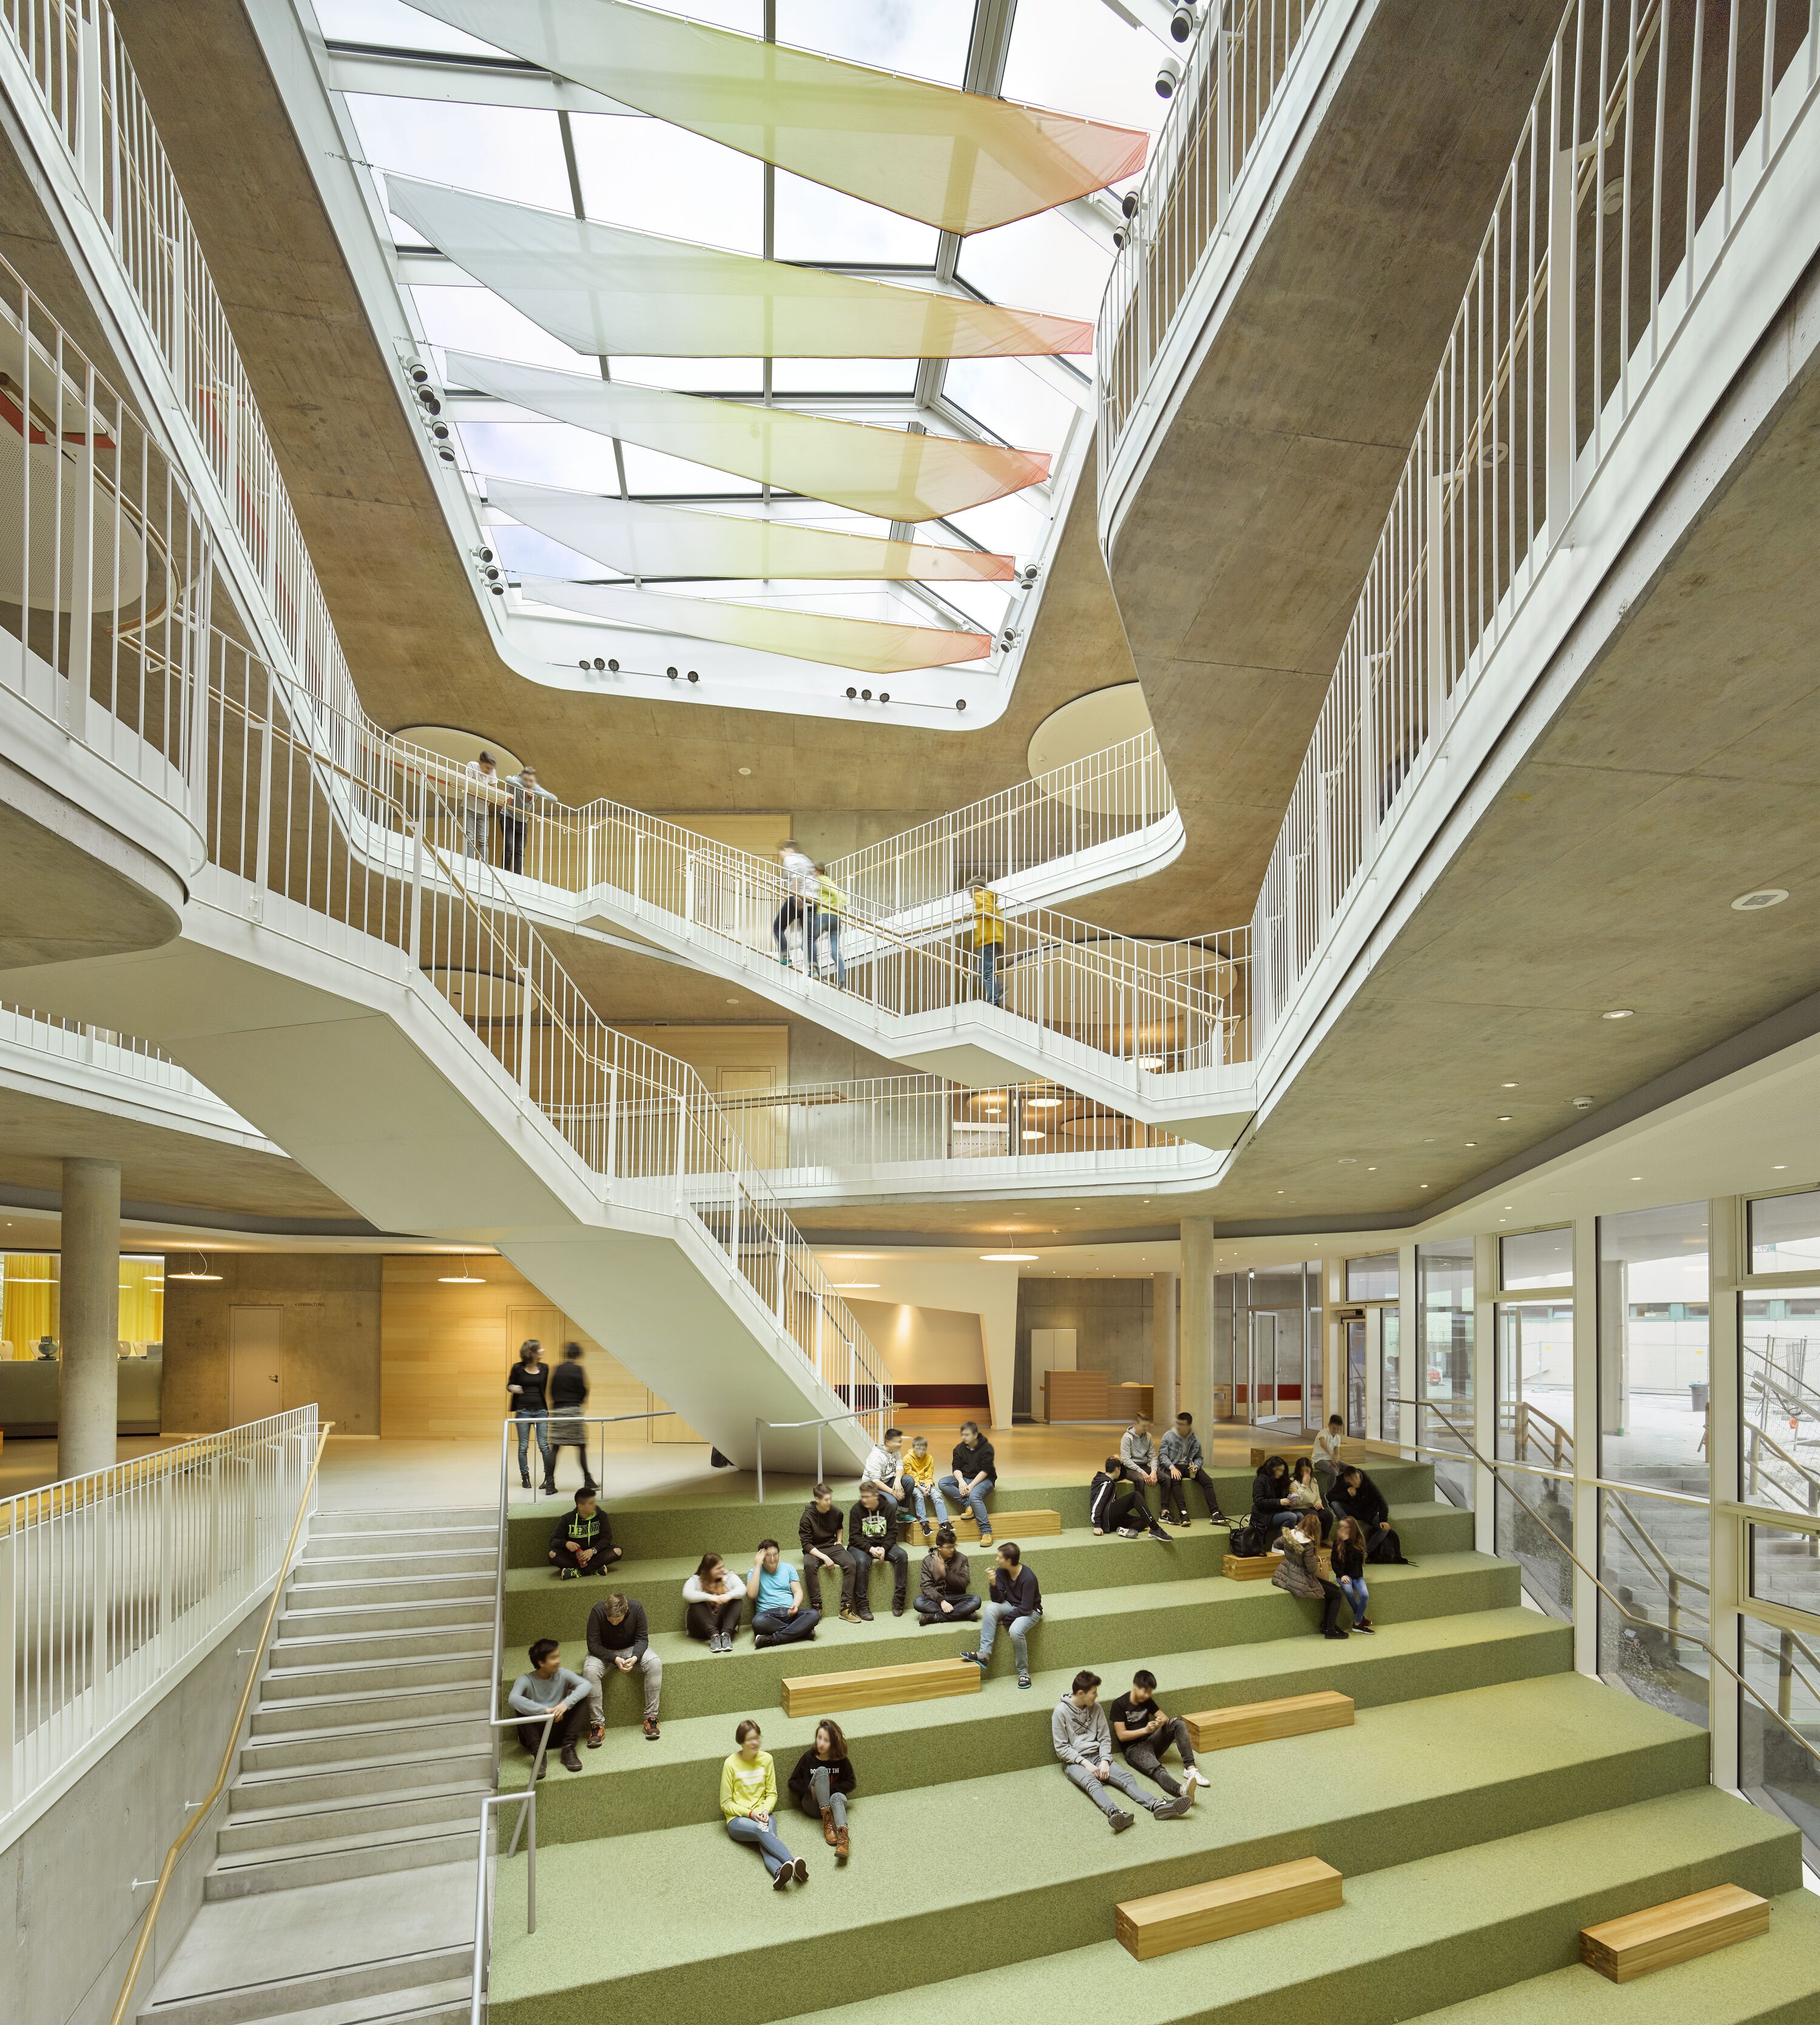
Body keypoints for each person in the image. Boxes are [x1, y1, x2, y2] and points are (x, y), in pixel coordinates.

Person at [1052, 1669, 1193, 1831]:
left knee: (1127, 1778)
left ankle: (1157, 1805)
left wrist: (1105, 1761)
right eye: (1094, 1693)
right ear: (1081, 1694)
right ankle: (1116, 1813)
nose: (1097, 1695)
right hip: (1074, 1762)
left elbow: (1105, 1739)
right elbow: (1061, 1748)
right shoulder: (1060, 1712)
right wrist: (1086, 1764)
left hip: (1098, 1755)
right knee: (1092, 1783)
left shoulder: (1096, 1708)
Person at [721, 1719, 807, 1890]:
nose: (755, 1743)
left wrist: (766, 1811)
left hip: (763, 1814)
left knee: (766, 1844)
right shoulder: (730, 1764)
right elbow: (726, 1803)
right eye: (750, 1739)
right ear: (741, 1742)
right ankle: (791, 1861)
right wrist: (750, 1813)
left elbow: (772, 1794)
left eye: (757, 1738)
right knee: (763, 1831)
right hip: (738, 1819)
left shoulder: (767, 1759)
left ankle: (779, 1872)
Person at [1107, 1669, 1212, 1802]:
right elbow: (1122, 1735)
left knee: (1177, 1722)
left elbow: (1164, 1718)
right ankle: (1181, 1790)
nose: (1147, 1695)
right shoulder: (1119, 1704)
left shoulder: (1147, 1700)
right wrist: (1145, 1730)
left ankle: (1190, 1769)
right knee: (1158, 1769)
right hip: (1133, 1750)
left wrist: (1160, 1722)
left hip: (1151, 1742)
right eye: (1145, 1691)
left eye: (1150, 1692)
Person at [584, 1591, 662, 1742]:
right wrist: (615, 1659)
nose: (614, 1623)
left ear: (626, 1611)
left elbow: (642, 1639)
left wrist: (635, 1657)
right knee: (590, 1671)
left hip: (631, 1649)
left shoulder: (637, 1608)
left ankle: (651, 1718)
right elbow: (593, 1645)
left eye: (618, 1620)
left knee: (655, 1663)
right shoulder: (597, 1612)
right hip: (604, 1652)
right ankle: (597, 1725)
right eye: (610, 1620)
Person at [962, 1541, 1041, 1688]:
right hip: (1011, 1604)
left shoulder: (1028, 1577)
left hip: (1031, 1610)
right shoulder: (1001, 1571)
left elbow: (1025, 1609)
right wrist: (993, 1583)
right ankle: (984, 1654)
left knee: (1015, 1631)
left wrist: (1005, 1620)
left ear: (1009, 1561)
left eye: (999, 1557)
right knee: (990, 1608)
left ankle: (1023, 1673)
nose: (997, 1559)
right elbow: (997, 1600)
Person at [507, 1637, 590, 1774]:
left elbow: (586, 1685)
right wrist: (547, 1711)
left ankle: (568, 1749)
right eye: (553, 1658)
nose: (558, 1661)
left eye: (558, 1656)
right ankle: (539, 1756)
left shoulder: (563, 1674)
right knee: (520, 1706)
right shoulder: (526, 1680)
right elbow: (513, 1700)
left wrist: (565, 1704)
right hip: (535, 1737)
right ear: (541, 1662)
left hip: (559, 1732)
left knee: (581, 1699)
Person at [787, 1719, 855, 1863]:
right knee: (822, 1770)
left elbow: (851, 1783)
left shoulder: (841, 1760)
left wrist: (829, 1790)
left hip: (835, 1805)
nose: (821, 1743)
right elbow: (792, 1782)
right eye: (819, 1738)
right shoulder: (808, 1758)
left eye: (826, 1740)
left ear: (834, 1743)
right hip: (813, 1805)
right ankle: (827, 1823)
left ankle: (843, 1840)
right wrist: (811, 1789)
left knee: (836, 1797)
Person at [1272, 1507, 1347, 1638]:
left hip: (1286, 1573)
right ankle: (1330, 1629)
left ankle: (1326, 1625)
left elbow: (1276, 1544)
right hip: (1300, 1580)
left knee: (1334, 1589)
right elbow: (1312, 1569)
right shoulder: (1307, 1545)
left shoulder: (1290, 1535)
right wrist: (1311, 1554)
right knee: (1337, 1595)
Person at [798, 1483, 860, 1623]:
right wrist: (825, 1557)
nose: (829, 1502)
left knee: (851, 1564)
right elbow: (806, 1544)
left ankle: (845, 1608)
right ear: (818, 1500)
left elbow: (839, 1526)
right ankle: (817, 1607)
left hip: (832, 1546)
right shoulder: (807, 1517)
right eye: (826, 1500)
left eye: (830, 1499)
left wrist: (839, 1541)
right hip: (814, 1549)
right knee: (810, 1565)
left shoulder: (836, 1511)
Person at [848, 1482, 909, 1618]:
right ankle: (862, 1604)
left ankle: (899, 1599)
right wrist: (870, 1549)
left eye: (867, 1497)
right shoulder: (856, 1509)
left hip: (883, 1544)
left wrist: (884, 1548)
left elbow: (892, 1532)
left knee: (902, 1555)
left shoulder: (887, 1508)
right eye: (862, 1496)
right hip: (861, 1546)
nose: (864, 1500)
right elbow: (854, 1536)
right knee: (862, 1561)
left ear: (876, 1496)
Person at [1158, 1410, 1227, 1527]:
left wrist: (1196, 1466)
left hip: (1188, 1466)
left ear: (1189, 1426)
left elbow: (1199, 1457)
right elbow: (1162, 1456)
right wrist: (1172, 1467)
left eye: (1182, 1425)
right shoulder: (1168, 1436)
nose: (1179, 1427)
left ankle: (1215, 1513)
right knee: (1175, 1480)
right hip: (1173, 1465)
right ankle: (1183, 1514)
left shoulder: (1194, 1438)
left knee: (1207, 1481)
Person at [747, 1538, 820, 1648]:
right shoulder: (754, 1571)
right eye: (768, 1556)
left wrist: (796, 1605)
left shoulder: (788, 1568)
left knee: (814, 1614)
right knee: (758, 1622)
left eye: (775, 1555)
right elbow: (751, 1594)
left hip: (789, 1613)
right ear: (761, 1557)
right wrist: (757, 1566)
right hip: (768, 1616)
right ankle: (803, 1632)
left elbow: (798, 1592)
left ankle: (772, 1639)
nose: (773, 1559)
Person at [1330, 1465, 1410, 1563]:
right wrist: (1346, 1494)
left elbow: (1382, 1502)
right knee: (1335, 1504)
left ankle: (1365, 1553)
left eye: (1358, 1478)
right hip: (1351, 1510)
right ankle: (1348, 1525)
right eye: (1354, 1480)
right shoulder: (1342, 1483)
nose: (1357, 1481)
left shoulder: (1367, 1484)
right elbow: (1330, 1497)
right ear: (1347, 1480)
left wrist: (1383, 1520)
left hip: (1367, 1512)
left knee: (1384, 1529)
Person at [507, 1338, 554, 1494]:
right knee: (523, 1446)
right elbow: (509, 1385)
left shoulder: (545, 1368)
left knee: (544, 1445)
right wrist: (513, 1388)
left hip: (541, 1411)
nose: (543, 1350)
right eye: (540, 1348)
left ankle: (548, 1478)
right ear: (531, 1351)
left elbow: (544, 1389)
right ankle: (525, 1477)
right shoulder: (518, 1367)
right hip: (523, 1411)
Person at [547, 1342, 593, 1494]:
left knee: (555, 1447)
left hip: (558, 1411)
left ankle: (550, 1484)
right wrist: (579, 1402)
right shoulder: (578, 1369)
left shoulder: (557, 1369)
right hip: (573, 1410)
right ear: (577, 1354)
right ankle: (588, 1480)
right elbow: (583, 1390)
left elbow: (551, 1390)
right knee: (581, 1446)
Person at [937, 1421, 996, 1543]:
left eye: (967, 1435)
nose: (964, 1437)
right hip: (965, 1478)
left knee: (975, 1497)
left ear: (975, 1435)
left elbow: (985, 1471)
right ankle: (967, 1504)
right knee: (943, 1483)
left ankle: (986, 1532)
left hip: (984, 1479)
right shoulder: (959, 1448)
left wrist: (971, 1486)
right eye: (963, 1435)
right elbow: (956, 1468)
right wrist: (961, 1482)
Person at [547, 1487, 620, 1580]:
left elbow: (607, 1538)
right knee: (552, 1555)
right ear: (581, 1506)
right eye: (591, 1503)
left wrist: (593, 1551)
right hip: (574, 1558)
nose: (595, 1505)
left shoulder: (602, 1516)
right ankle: (595, 1569)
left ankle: (576, 1571)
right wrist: (566, 1543)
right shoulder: (566, 1518)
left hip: (595, 1555)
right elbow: (553, 1541)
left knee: (618, 1551)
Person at [1090, 1456, 1169, 1542]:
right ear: (1117, 1469)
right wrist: (1097, 1525)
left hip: (1112, 1519)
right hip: (1106, 1518)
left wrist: (1121, 1463)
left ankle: (1128, 1531)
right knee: (1135, 1496)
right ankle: (1155, 1528)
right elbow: (1097, 1503)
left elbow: (1123, 1475)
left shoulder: (1107, 1479)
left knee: (1144, 1521)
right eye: (1120, 1469)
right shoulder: (1106, 1483)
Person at [914, 1524, 980, 1623]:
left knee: (976, 1600)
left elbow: (964, 1583)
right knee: (918, 1602)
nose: (952, 1550)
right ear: (939, 1548)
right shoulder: (928, 1561)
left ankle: (936, 1617)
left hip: (957, 1597)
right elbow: (926, 1586)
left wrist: (946, 1573)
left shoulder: (962, 1558)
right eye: (949, 1547)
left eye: (953, 1546)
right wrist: (942, 1602)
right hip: (937, 1599)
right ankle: (963, 1613)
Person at [684, 1551, 746, 1651]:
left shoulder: (728, 1576)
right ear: (708, 1570)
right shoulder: (696, 1580)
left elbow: (742, 1589)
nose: (722, 1570)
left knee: (736, 1599)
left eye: (722, 1566)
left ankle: (726, 1635)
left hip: (723, 1625)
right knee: (696, 1603)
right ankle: (714, 1636)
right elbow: (687, 1594)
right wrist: (710, 1598)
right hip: (701, 1628)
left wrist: (728, 1596)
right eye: (718, 1568)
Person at [773, 839, 815, 968]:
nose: (781, 857)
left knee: (778, 927)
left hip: (798, 898)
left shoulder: (790, 859)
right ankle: (814, 968)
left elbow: (795, 877)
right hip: (813, 899)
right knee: (808, 937)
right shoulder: (806, 860)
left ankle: (785, 958)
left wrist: (797, 898)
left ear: (786, 849)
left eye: (780, 853)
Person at [1119, 1413, 1164, 1527]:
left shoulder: (1148, 1436)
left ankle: (1165, 1512)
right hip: (1129, 1468)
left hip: (1144, 1466)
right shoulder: (1127, 1437)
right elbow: (1127, 1460)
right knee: (1140, 1480)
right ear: (1136, 1424)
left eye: (1147, 1426)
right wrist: (1143, 1473)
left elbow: (1153, 1457)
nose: (1146, 1428)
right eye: (1143, 1426)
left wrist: (1154, 1471)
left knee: (1166, 1478)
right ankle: (1144, 1516)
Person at [497, 764, 543, 874]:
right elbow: (507, 779)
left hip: (522, 822)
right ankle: (505, 872)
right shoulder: (516, 780)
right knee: (509, 846)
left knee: (519, 850)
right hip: (508, 817)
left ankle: (517, 874)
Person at [1330, 1515, 1373, 1632]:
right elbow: (1334, 1561)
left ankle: (1357, 1622)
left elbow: (1357, 1557)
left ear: (1352, 1529)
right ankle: (1361, 1619)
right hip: (1344, 1575)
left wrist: (1348, 1542)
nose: (1343, 1530)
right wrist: (1341, 1575)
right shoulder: (1337, 1541)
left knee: (1365, 1595)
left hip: (1357, 1575)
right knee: (1349, 1592)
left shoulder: (1359, 1541)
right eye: (1342, 1527)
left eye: (1346, 1527)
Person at [969, 877, 1005, 1006]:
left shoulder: (981, 895)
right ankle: (998, 991)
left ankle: (994, 999)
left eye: (970, 890)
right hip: (991, 939)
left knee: (986, 973)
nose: (969, 894)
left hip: (988, 940)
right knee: (979, 971)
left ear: (976, 889)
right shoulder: (988, 896)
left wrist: (973, 915)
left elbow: (987, 910)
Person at [900, 1433, 946, 1536]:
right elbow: (911, 1475)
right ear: (913, 1448)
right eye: (918, 1449)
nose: (921, 1452)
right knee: (919, 1496)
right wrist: (921, 1488)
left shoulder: (930, 1458)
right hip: (914, 1484)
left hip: (926, 1483)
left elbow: (929, 1474)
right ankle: (924, 1523)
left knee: (937, 1496)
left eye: (924, 1449)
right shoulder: (907, 1458)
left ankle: (945, 1522)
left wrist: (929, 1485)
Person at [860, 1427, 911, 1518]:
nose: (901, 1444)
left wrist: (898, 1480)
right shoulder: (876, 1456)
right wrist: (892, 1492)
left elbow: (900, 1465)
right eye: (898, 1442)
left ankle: (900, 1513)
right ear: (888, 1442)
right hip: (872, 1486)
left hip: (887, 1481)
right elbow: (875, 1480)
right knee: (892, 1502)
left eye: (901, 1441)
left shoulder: (895, 1451)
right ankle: (885, 1522)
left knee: (909, 1480)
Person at [1250, 1454, 1299, 1540]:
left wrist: (1289, 1502)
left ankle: (1294, 1542)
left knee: (1300, 1516)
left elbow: (1283, 1498)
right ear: (1271, 1469)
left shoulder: (1280, 1481)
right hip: (1263, 1516)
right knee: (1292, 1517)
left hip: (1277, 1512)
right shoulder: (1261, 1480)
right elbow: (1259, 1501)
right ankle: (1278, 1544)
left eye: (1282, 1471)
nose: (1281, 1473)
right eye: (1279, 1470)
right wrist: (1279, 1502)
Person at [461, 749, 498, 861]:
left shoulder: (492, 772)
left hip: (483, 810)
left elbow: (494, 791)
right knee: (470, 838)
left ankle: (484, 867)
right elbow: (467, 784)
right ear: (480, 762)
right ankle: (469, 864)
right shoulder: (472, 765)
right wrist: (483, 789)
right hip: (469, 807)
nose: (488, 770)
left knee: (483, 840)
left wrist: (483, 790)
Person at [814, 865, 847, 987]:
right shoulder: (831, 882)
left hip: (824, 916)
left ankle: (816, 972)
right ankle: (842, 980)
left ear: (817, 871)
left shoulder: (819, 880)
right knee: (835, 952)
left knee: (807, 941)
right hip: (836, 919)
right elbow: (843, 897)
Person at [1286, 1458, 1330, 1542]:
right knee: (1313, 1515)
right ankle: (1311, 1542)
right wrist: (1303, 1485)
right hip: (1297, 1508)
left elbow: (1317, 1496)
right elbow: (1295, 1501)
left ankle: (1324, 1539)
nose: (1305, 1473)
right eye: (1302, 1471)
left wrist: (1318, 1503)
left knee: (1327, 1514)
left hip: (1311, 1507)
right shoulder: (1293, 1483)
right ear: (1298, 1471)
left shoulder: (1313, 1481)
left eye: (1307, 1471)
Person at [1312, 1413, 1345, 1501]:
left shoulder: (1338, 1437)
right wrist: (1332, 1457)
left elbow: (1337, 1453)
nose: (1336, 1431)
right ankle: (1329, 1494)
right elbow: (1323, 1444)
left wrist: (1336, 1462)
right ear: (1329, 1425)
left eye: (1338, 1429)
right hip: (1319, 1460)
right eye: (1334, 1428)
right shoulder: (1323, 1432)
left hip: (1331, 1460)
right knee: (1334, 1472)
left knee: (1350, 1469)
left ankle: (1344, 1491)